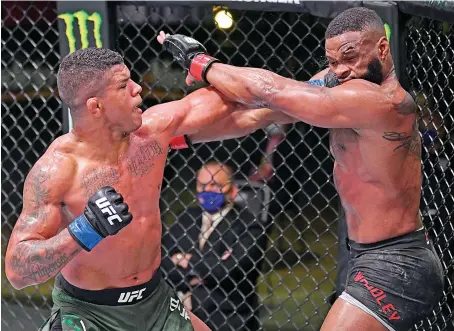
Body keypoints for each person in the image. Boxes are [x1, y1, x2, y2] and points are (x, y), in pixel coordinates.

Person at [159, 7, 445, 331]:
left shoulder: (382, 101)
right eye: (333, 61)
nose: (341, 70)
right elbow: (259, 112)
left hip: (395, 264)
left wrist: (202, 63)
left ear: (381, 48)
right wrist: (178, 137)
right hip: (367, 257)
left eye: (350, 57)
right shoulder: (340, 83)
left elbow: (272, 91)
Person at [3, 47, 262, 331]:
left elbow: (241, 99)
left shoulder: (152, 134)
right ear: (96, 107)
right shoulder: (57, 171)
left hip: (155, 300)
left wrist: (202, 65)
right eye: (124, 85)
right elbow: (18, 270)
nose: (139, 88)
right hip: (91, 313)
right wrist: (85, 229)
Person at [161, 161, 266, 331]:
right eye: (202, 185)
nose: (207, 190)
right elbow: (163, 262)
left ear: (233, 190)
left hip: (227, 315)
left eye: (215, 185)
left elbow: (228, 271)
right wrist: (201, 273)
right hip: (180, 309)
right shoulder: (186, 218)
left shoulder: (249, 226)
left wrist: (188, 260)